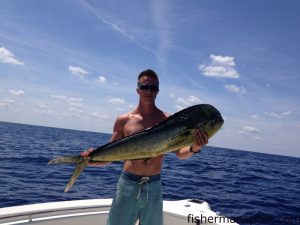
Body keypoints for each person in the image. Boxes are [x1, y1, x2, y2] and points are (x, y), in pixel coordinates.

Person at [81, 69, 208, 225]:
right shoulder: (123, 120)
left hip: (154, 186)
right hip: (128, 184)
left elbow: (180, 153)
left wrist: (194, 148)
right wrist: (92, 159)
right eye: (144, 87)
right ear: (137, 90)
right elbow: (110, 155)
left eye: (153, 87)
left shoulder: (168, 119)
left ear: (158, 91)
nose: (149, 91)